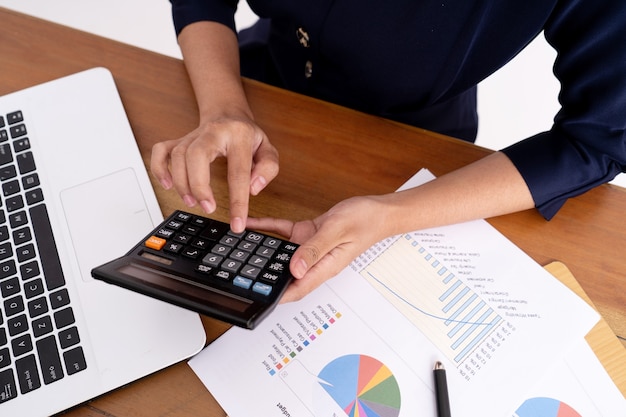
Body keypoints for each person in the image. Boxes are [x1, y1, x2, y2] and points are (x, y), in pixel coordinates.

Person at [151, 1, 626, 302]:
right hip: (253, 84)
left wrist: (390, 214)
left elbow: (597, 137)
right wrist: (222, 107)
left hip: (413, 155)